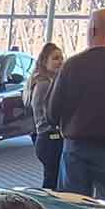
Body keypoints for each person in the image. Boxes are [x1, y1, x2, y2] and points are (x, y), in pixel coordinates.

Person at [48, 9, 105, 204]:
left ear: (92, 29)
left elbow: (53, 110)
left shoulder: (72, 65)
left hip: (76, 145)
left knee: (72, 203)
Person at [26, 43, 64, 190]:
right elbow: (42, 114)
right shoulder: (44, 84)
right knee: (51, 182)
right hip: (49, 139)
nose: (60, 62)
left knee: (52, 179)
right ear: (44, 61)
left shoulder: (50, 82)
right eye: (55, 58)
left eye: (61, 58)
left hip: (47, 138)